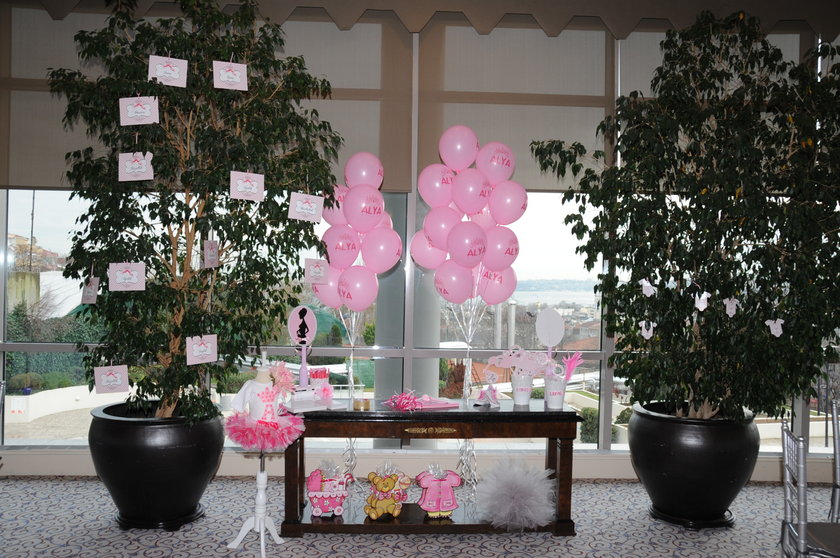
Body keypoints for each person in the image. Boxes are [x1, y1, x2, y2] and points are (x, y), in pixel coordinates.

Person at [224, 362, 303, 452]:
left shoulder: (277, 383)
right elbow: (238, 405)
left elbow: (283, 399)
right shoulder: (250, 384)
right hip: (254, 426)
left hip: (275, 425)